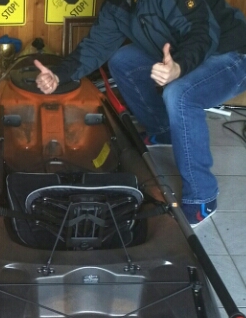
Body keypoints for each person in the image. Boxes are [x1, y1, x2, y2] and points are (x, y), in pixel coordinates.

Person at [34, 0, 246, 227]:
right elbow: (95, 47)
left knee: (180, 94)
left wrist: (178, 67)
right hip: (181, 51)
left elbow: (202, 31)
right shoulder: (115, 6)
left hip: (230, 53)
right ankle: (163, 131)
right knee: (122, 61)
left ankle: (202, 196)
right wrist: (59, 75)